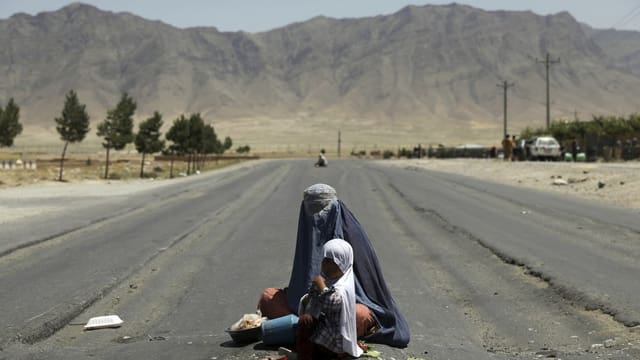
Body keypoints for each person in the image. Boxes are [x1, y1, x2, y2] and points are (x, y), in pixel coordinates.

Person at [258, 184, 410, 348]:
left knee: (360, 315)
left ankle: (300, 331)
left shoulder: (353, 234)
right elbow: (302, 285)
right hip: (308, 307)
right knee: (268, 296)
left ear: (336, 207)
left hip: (344, 306)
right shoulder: (306, 231)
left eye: (323, 209)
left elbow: (368, 287)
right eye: (312, 209)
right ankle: (315, 333)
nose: (316, 216)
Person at [296, 239, 363, 359]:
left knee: (306, 322)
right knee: (305, 321)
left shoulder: (344, 286)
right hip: (323, 333)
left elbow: (333, 303)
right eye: (324, 261)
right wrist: (310, 295)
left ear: (343, 263)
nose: (326, 266)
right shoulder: (328, 281)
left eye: (331, 262)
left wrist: (322, 287)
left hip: (334, 341)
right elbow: (309, 304)